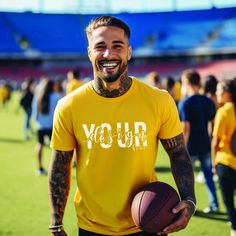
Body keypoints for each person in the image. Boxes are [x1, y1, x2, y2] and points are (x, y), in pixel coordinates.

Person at [48, 16, 196, 236]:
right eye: (100, 47)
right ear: (90, 53)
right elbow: (60, 166)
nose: (108, 54)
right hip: (92, 227)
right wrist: (56, 222)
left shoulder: (159, 100)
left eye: (117, 46)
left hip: (147, 221)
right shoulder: (68, 106)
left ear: (129, 51)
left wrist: (189, 199)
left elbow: (178, 153)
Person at [178, 69, 219, 213]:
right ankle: (214, 204)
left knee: (185, 179)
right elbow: (211, 123)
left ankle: (186, 208)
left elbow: (186, 127)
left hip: (191, 146)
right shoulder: (207, 101)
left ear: (187, 83)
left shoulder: (185, 103)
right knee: (208, 176)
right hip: (206, 144)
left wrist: (182, 147)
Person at [212, 79, 236, 236]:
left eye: (219, 90)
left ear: (228, 93)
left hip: (225, 161)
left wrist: (213, 163)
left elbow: (215, 141)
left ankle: (234, 229)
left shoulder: (224, 111)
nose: (217, 93)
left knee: (228, 202)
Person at [32, 78, 61, 175]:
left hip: (40, 126)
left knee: (40, 145)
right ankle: (55, 169)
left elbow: (34, 113)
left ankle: (39, 167)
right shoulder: (56, 96)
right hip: (52, 126)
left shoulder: (38, 96)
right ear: (53, 86)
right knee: (56, 148)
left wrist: (37, 122)